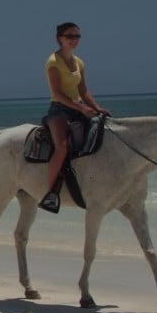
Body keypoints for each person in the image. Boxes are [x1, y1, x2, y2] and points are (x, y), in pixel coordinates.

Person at [38, 22, 111, 214]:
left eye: (77, 36)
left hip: (78, 107)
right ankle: (51, 193)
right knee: (62, 146)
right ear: (60, 38)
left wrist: (97, 107)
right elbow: (58, 93)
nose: (74, 40)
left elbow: (83, 90)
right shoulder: (53, 62)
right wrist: (82, 108)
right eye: (70, 36)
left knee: (103, 134)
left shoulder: (79, 62)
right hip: (59, 109)